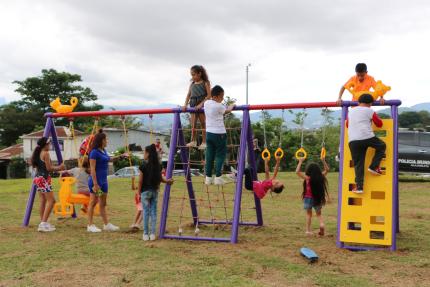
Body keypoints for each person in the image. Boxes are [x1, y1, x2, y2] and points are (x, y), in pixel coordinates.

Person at [347, 94, 386, 194]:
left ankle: (359, 187)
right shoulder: (370, 111)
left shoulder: (351, 111)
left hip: (353, 140)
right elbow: (379, 123)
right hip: (367, 137)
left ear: (359, 102)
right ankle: (373, 166)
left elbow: (347, 124)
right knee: (382, 146)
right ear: (370, 103)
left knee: (358, 164)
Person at [138, 144, 173, 241]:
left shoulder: (143, 165)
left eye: (144, 152)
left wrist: (138, 192)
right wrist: (168, 181)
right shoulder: (159, 166)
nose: (143, 154)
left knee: (146, 212)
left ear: (148, 153)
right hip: (154, 192)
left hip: (145, 192)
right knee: (153, 213)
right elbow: (161, 179)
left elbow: (140, 181)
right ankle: (152, 234)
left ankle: (145, 234)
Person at [87, 130, 120, 233]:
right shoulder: (94, 152)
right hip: (96, 182)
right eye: (106, 139)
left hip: (103, 181)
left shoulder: (103, 151)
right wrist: (96, 184)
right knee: (93, 202)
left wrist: (121, 156)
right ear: (101, 140)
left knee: (103, 203)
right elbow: (92, 169)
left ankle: (106, 224)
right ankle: (90, 225)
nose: (107, 141)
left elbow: (108, 159)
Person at [31, 137, 65, 232]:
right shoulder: (46, 153)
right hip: (44, 179)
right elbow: (49, 168)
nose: (50, 145)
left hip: (38, 178)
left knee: (43, 200)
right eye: (49, 144)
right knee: (52, 201)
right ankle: (43, 224)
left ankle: (43, 222)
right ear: (45, 145)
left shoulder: (38, 154)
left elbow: (40, 168)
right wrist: (60, 167)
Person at [203, 85, 235, 185]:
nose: (222, 99)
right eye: (221, 96)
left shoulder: (206, 103)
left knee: (209, 156)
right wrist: (232, 105)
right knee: (220, 155)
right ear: (216, 96)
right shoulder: (219, 106)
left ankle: (208, 178)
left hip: (209, 133)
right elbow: (228, 110)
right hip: (219, 133)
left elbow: (209, 100)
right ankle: (218, 177)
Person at [296, 158, 330, 236]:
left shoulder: (307, 178)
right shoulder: (320, 177)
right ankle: (321, 224)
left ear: (308, 170)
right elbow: (327, 170)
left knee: (309, 214)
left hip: (308, 198)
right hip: (317, 198)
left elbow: (297, 172)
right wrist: (323, 160)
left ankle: (308, 230)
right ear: (318, 170)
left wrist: (300, 161)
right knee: (319, 214)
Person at [182, 65, 211, 150]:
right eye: (191, 75)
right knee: (193, 123)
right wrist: (185, 104)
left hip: (202, 104)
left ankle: (204, 142)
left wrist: (201, 104)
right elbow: (188, 95)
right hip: (193, 104)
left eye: (194, 74)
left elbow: (209, 96)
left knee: (203, 123)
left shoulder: (205, 82)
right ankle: (193, 141)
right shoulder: (192, 84)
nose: (193, 77)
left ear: (200, 73)